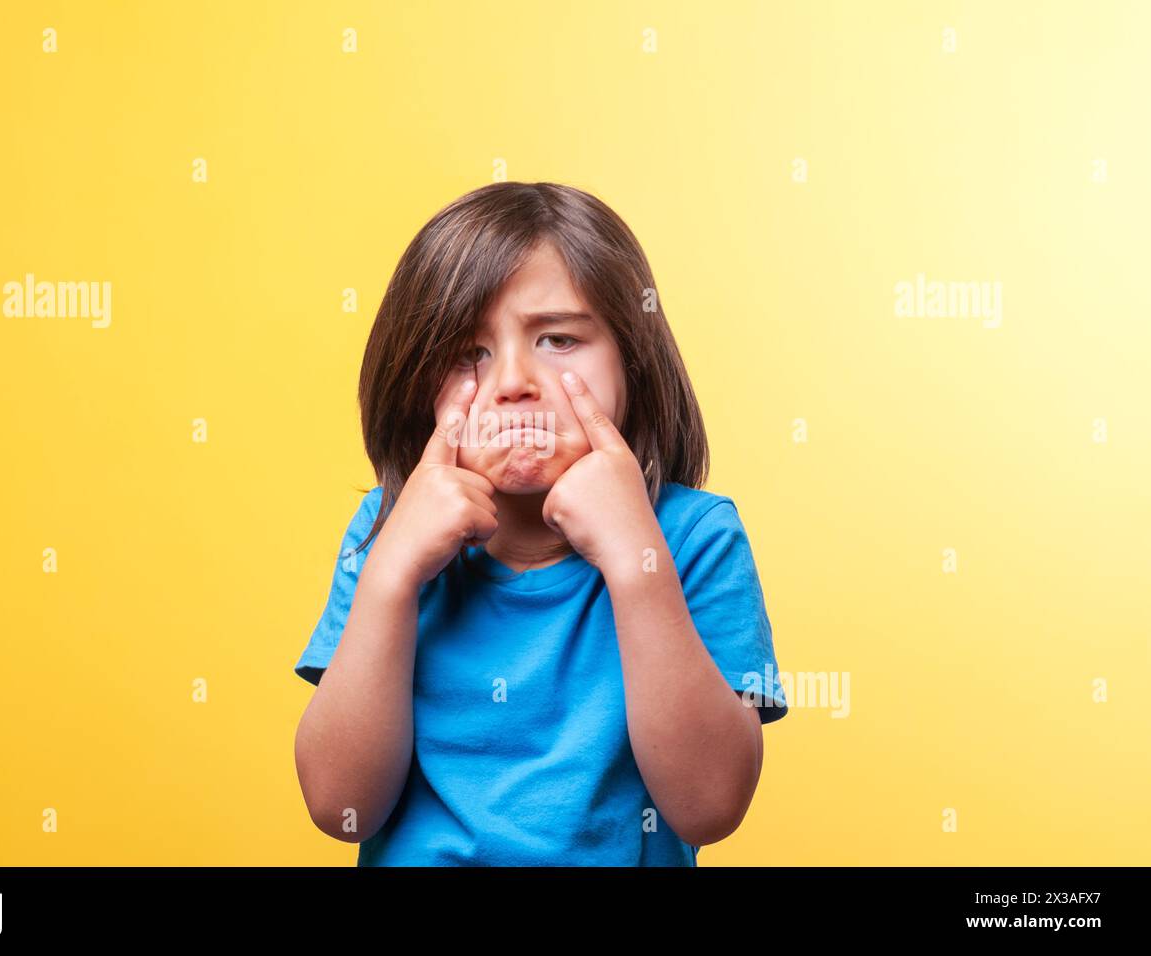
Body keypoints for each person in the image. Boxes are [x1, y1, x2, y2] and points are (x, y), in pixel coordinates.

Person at [293, 181, 788, 866]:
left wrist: (634, 559)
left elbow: (708, 805)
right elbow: (339, 805)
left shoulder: (694, 538)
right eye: (469, 352)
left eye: (558, 338)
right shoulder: (384, 533)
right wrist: (391, 577)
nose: (513, 381)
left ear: (633, 362)